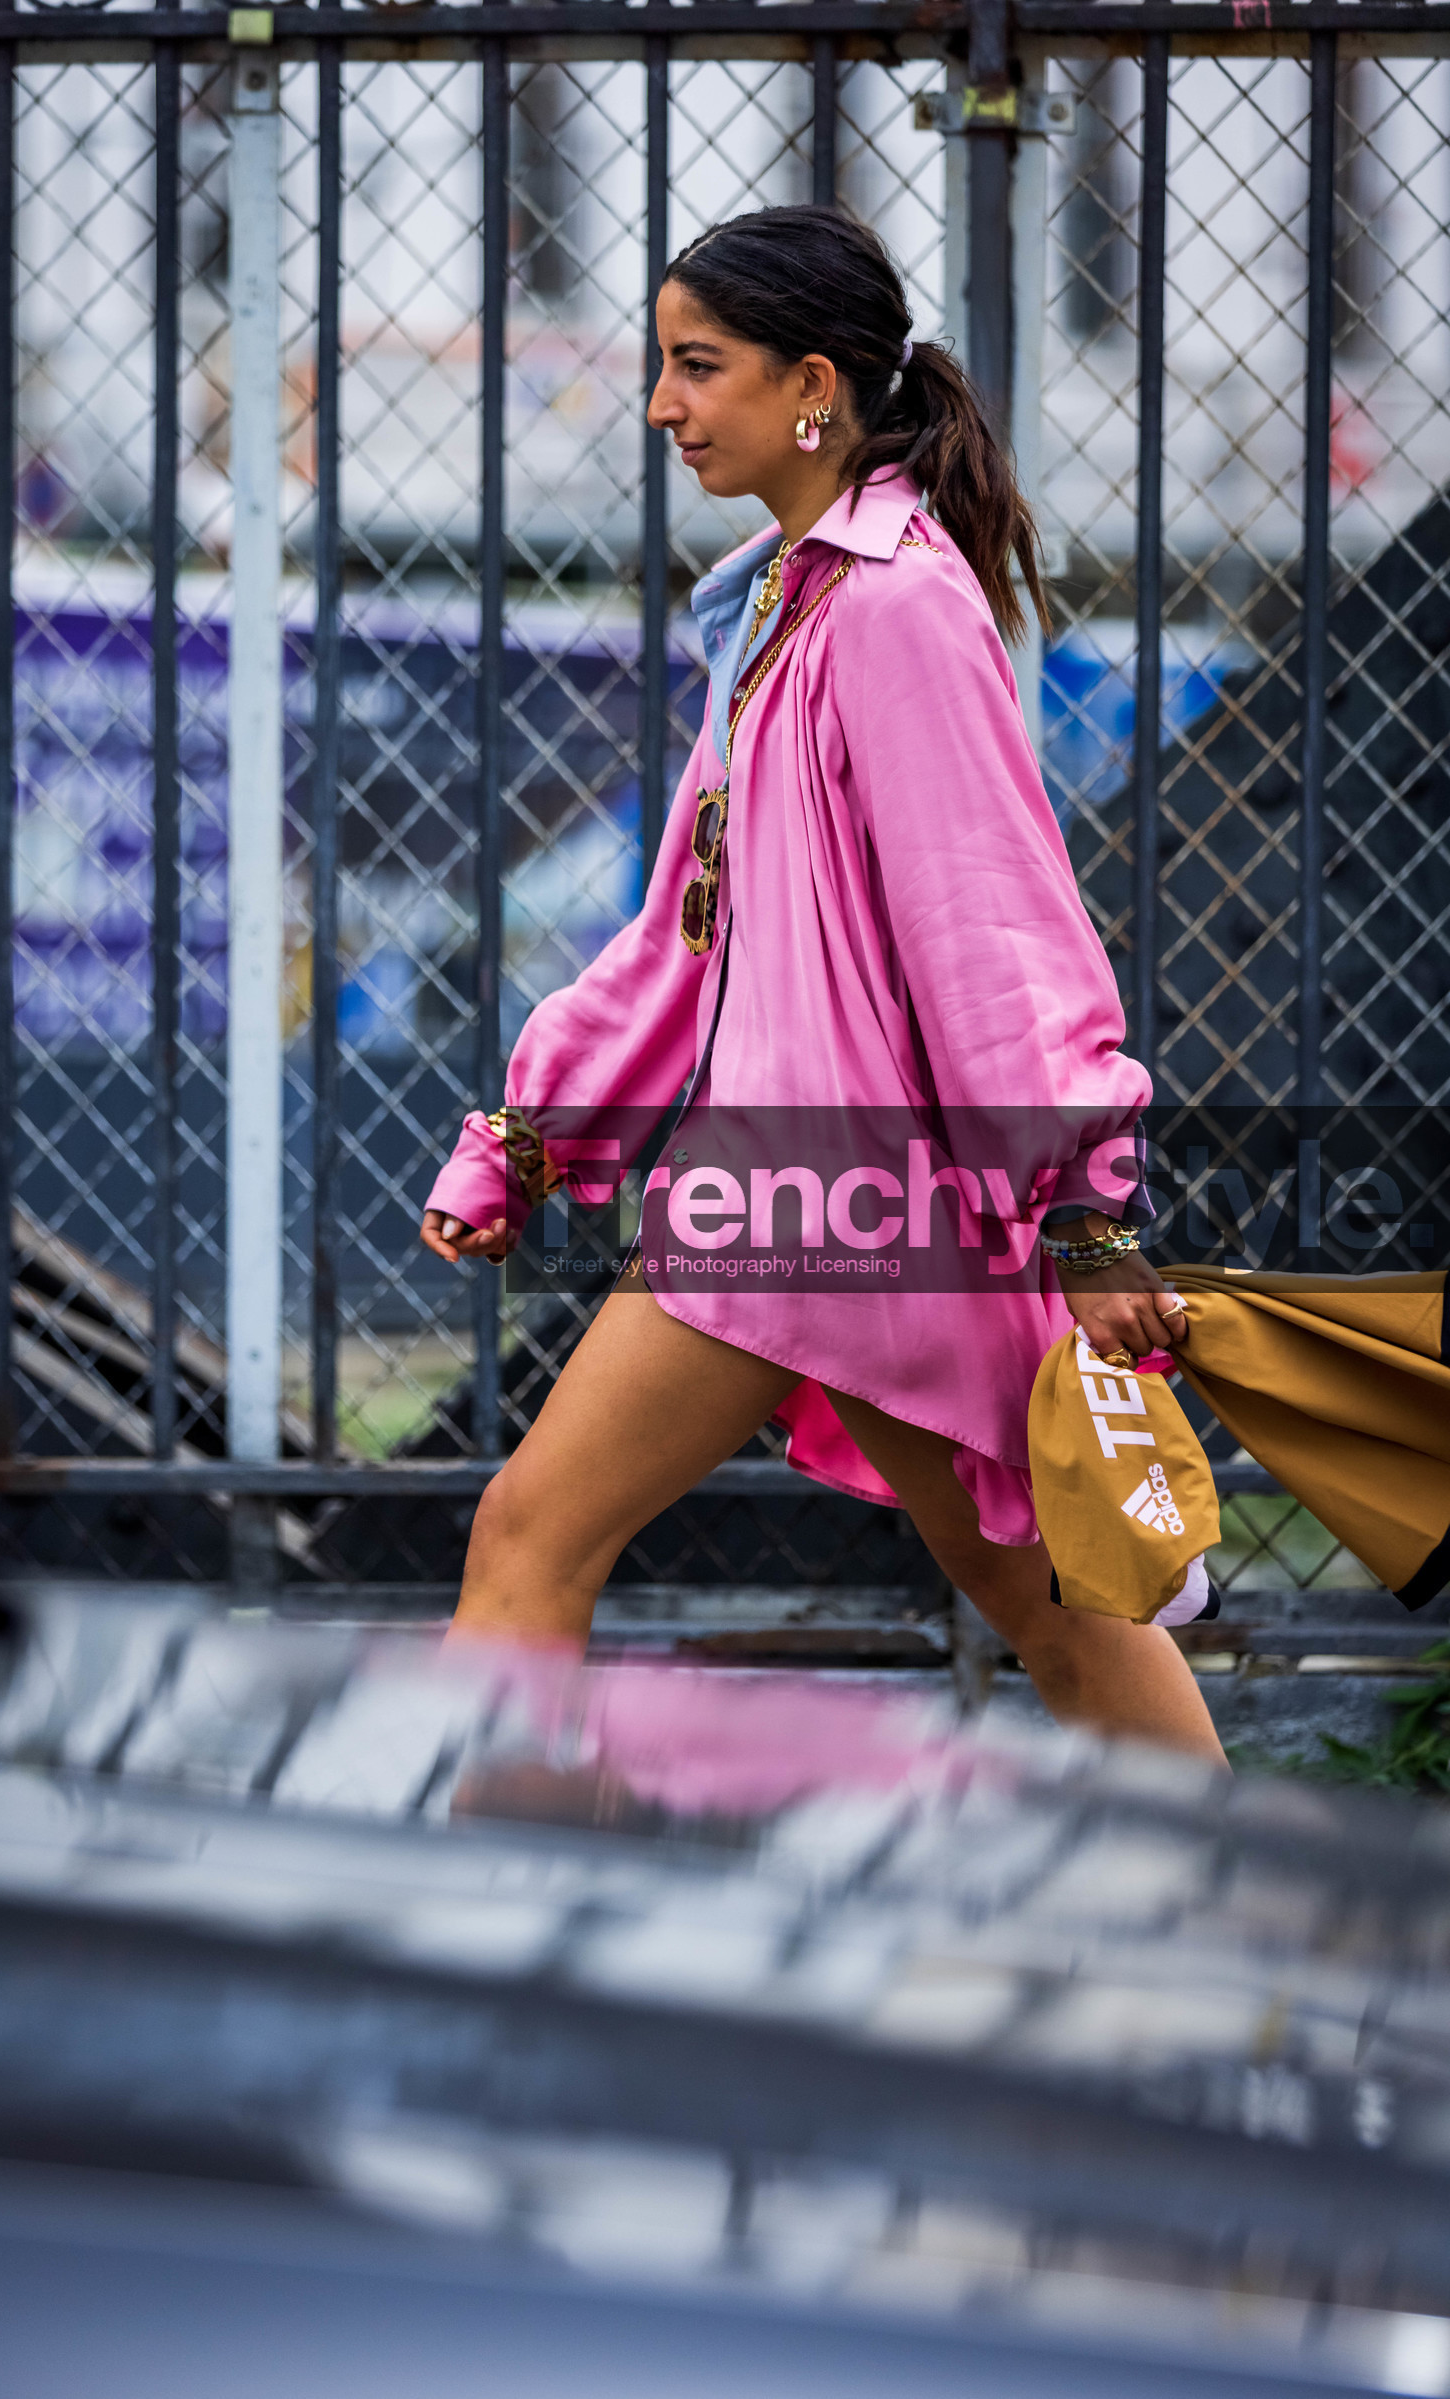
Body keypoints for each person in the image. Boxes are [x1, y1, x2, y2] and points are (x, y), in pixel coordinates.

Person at [420, 204, 1225, 1765]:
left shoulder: (898, 604)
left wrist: (1084, 1203)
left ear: (812, 386)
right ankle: (1256, 1909)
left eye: (698, 365)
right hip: (800, 1188)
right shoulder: (788, 602)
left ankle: (478, 1899)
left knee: (541, 1538)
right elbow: (689, 924)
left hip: (840, 1195)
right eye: (665, 364)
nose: (662, 404)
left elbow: (994, 928)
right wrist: (534, 1129)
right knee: (1055, 1612)